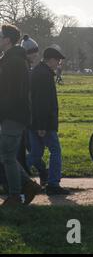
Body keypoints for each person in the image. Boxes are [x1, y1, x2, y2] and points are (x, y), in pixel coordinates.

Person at [0, 24, 42, 206]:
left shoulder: (14, 62)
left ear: (8, 39)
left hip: (13, 115)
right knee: (6, 155)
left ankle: (16, 195)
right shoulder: (9, 59)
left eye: (0, 36)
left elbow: (12, 93)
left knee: (7, 156)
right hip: (11, 115)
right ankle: (27, 186)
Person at [28, 45, 69, 196]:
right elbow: (42, 102)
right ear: (50, 59)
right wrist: (42, 125)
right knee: (55, 151)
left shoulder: (38, 72)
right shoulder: (45, 75)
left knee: (35, 154)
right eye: (57, 60)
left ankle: (9, 176)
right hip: (44, 123)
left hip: (34, 121)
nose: (58, 63)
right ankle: (53, 184)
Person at [20, 35, 49, 185]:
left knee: (31, 148)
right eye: (33, 52)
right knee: (31, 148)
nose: (36, 54)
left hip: (26, 115)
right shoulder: (24, 68)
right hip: (24, 115)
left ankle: (39, 174)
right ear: (27, 52)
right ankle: (42, 174)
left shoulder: (28, 68)